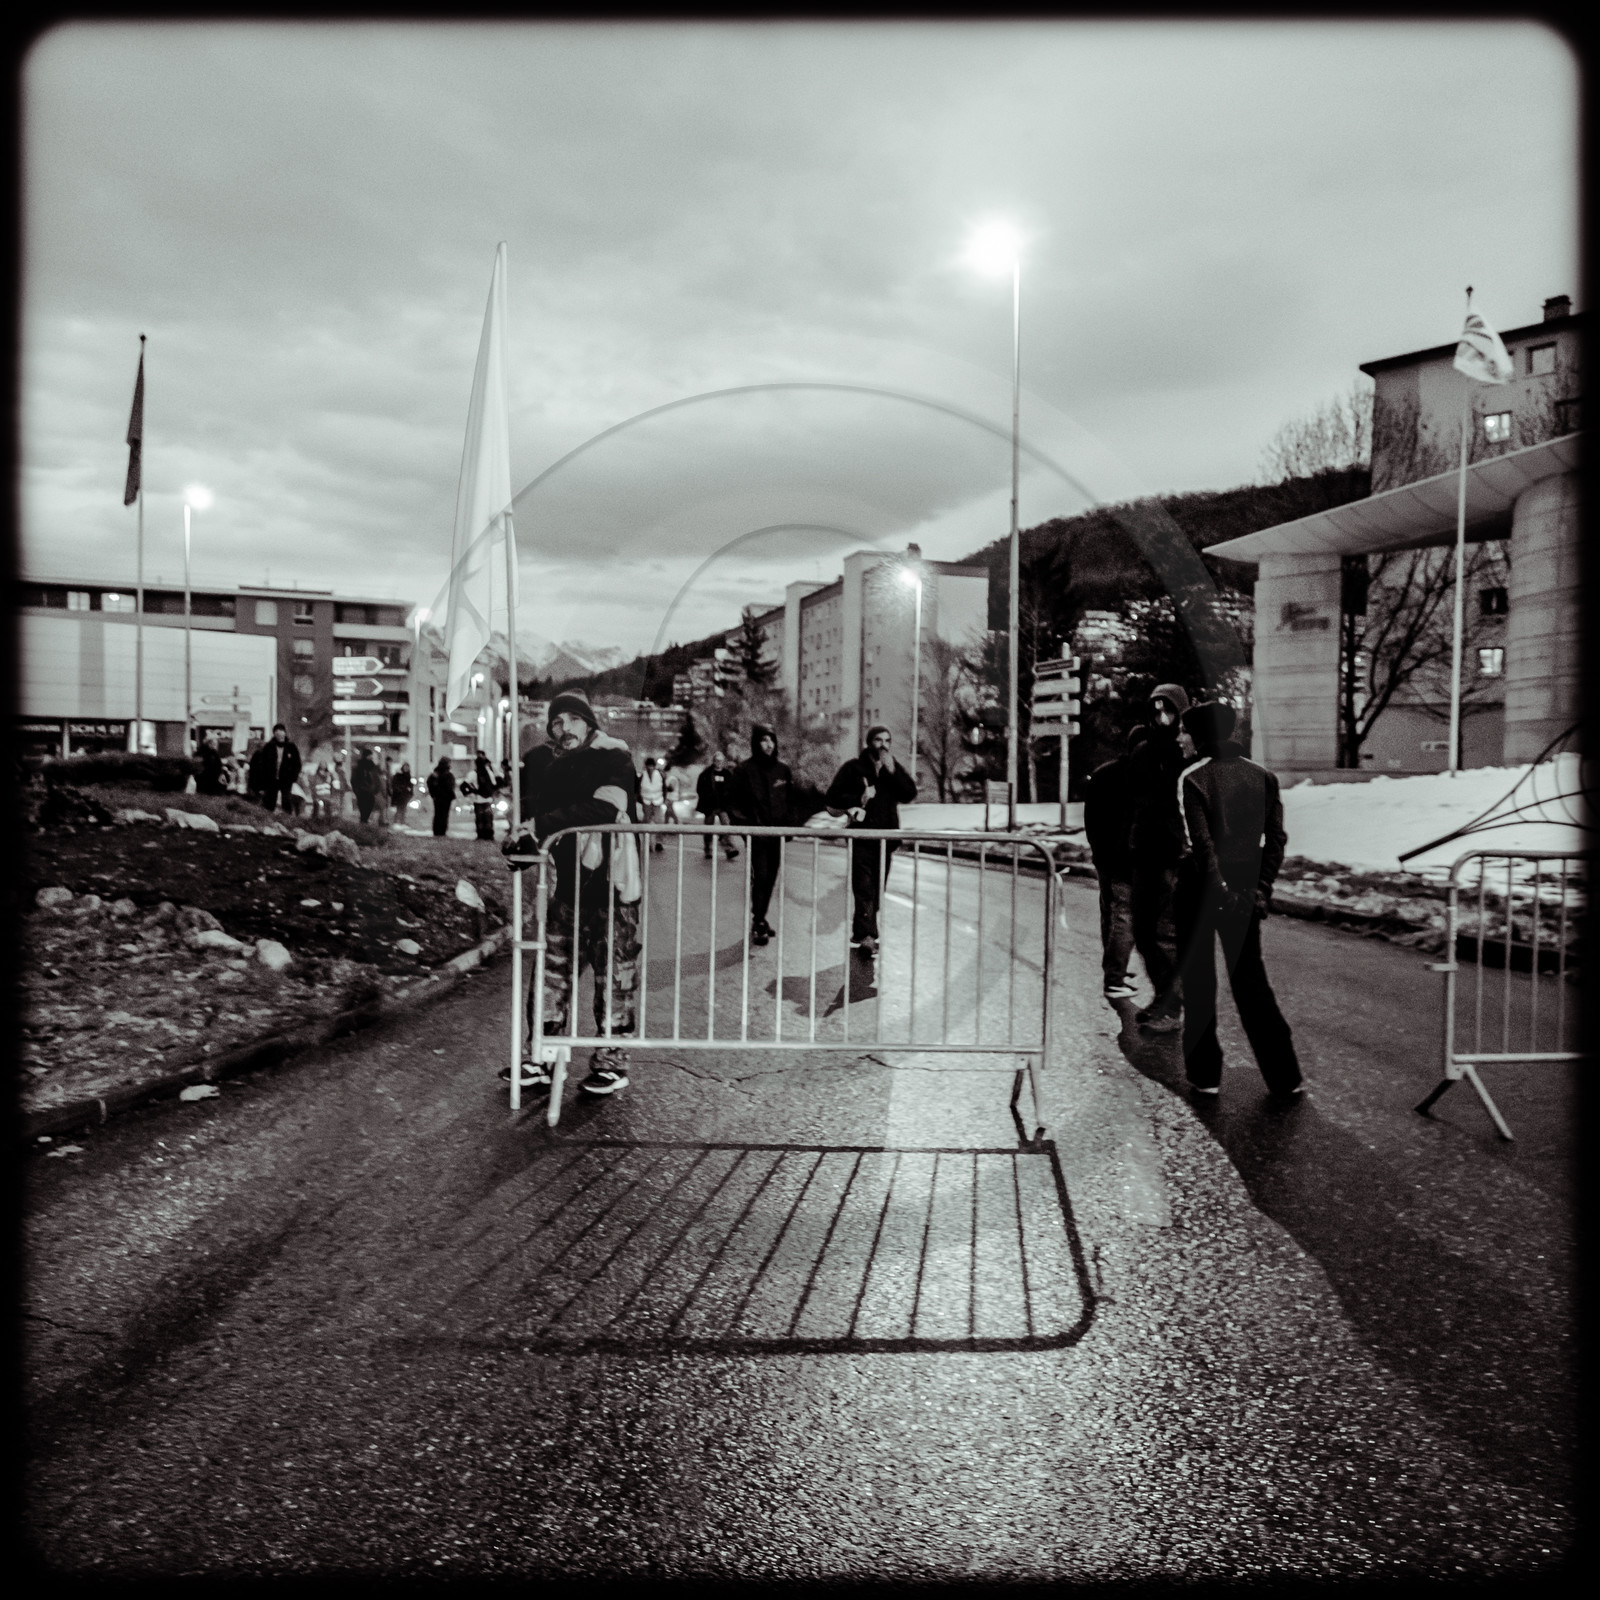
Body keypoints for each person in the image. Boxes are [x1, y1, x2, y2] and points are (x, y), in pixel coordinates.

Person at [503, 689, 641, 1100]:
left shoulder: (616, 757)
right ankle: (541, 1058)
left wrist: (543, 824)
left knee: (615, 979)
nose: (563, 729)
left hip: (613, 891)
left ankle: (611, 1063)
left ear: (589, 722)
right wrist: (522, 848)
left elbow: (606, 809)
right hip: (567, 890)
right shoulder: (554, 768)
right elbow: (542, 825)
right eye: (556, 723)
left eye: (571, 720)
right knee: (550, 976)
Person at [1175, 701, 1304, 1102]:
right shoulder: (1263, 776)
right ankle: (1285, 1076)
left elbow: (1203, 845)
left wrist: (1219, 890)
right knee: (1251, 982)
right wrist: (1260, 890)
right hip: (1247, 888)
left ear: (1199, 735)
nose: (1180, 738)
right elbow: (1276, 839)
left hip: (1202, 892)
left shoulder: (1194, 777)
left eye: (1184, 731)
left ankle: (1205, 1075)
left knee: (1199, 983)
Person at [1125, 683, 1191, 1032]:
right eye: (1157, 711)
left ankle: (1171, 1007)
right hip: (1143, 854)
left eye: (1169, 711)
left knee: (1166, 934)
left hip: (1173, 855)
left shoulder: (1187, 755)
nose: (1162, 717)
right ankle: (1163, 997)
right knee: (1143, 931)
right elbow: (1130, 801)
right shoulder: (1142, 753)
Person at [727, 723, 824, 946]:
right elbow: (733, 804)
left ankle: (760, 917)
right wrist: (748, 827)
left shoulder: (783, 770)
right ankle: (759, 921)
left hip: (777, 835)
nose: (769, 744)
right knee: (760, 876)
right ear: (756, 743)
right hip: (757, 836)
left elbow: (792, 800)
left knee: (770, 878)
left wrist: (790, 824)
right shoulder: (744, 771)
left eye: (772, 739)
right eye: (764, 739)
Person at [825, 725, 918, 955]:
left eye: (887, 740)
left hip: (886, 839)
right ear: (869, 742)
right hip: (862, 837)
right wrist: (859, 797)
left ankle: (861, 931)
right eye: (878, 740)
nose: (883, 745)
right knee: (864, 887)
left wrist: (894, 771)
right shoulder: (853, 768)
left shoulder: (892, 769)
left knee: (876, 889)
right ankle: (869, 936)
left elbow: (909, 794)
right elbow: (832, 797)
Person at [1084, 725, 1149, 1003]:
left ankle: (1114, 972)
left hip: (1104, 858)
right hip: (1127, 860)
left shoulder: (1102, 773)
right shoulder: (1139, 777)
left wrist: (1098, 851)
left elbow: (1090, 820)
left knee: (1109, 914)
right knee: (1126, 916)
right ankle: (1114, 977)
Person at [695, 750, 740, 862]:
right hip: (710, 807)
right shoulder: (706, 774)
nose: (718, 763)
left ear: (723, 762)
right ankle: (707, 848)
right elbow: (700, 788)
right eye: (717, 760)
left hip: (722, 806)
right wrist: (706, 799)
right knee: (708, 828)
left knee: (726, 826)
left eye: (720, 761)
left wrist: (730, 802)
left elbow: (733, 789)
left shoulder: (727, 774)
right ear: (714, 761)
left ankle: (729, 848)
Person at [248, 724, 302, 813]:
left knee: (286, 800)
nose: (279, 735)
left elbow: (297, 764)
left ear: (285, 733)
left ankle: (287, 818)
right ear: (274, 734)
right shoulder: (269, 747)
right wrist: (264, 779)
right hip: (271, 779)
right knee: (269, 801)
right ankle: (268, 818)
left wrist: (293, 777)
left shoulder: (291, 747)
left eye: (281, 733)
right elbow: (263, 764)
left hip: (286, 779)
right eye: (277, 733)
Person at [638, 756, 669, 851]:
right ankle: (647, 843)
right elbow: (638, 788)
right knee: (646, 822)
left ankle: (659, 842)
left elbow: (664, 787)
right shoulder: (642, 776)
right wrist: (641, 800)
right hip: (646, 801)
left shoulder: (660, 774)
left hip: (657, 800)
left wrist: (664, 799)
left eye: (651, 766)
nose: (650, 768)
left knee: (659, 822)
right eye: (648, 766)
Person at [469, 750, 500, 841]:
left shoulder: (473, 773)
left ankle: (480, 835)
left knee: (479, 818)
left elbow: (466, 784)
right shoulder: (489, 773)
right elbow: (494, 783)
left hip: (477, 799)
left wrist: (472, 791)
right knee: (488, 818)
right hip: (488, 799)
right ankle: (489, 835)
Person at [351, 747, 383, 825]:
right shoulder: (359, 767)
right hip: (362, 790)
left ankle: (365, 820)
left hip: (371, 790)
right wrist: (357, 790)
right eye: (369, 755)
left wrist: (376, 788)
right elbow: (354, 780)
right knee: (363, 807)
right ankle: (363, 821)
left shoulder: (373, 767)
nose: (370, 757)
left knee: (370, 805)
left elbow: (376, 778)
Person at [426, 758, 456, 837]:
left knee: (438, 814)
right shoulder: (446, 774)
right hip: (445, 797)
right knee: (443, 815)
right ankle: (441, 831)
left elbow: (430, 783)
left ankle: (438, 831)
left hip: (438, 797)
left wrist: (433, 794)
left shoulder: (436, 773)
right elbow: (450, 785)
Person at [389, 761, 415, 827]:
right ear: (403, 767)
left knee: (403, 808)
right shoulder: (399, 775)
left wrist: (410, 792)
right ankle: (397, 822)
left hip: (405, 795)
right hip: (399, 794)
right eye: (405, 767)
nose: (406, 768)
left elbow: (409, 785)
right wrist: (400, 789)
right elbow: (394, 784)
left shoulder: (408, 775)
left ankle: (401, 821)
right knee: (399, 808)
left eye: (407, 767)